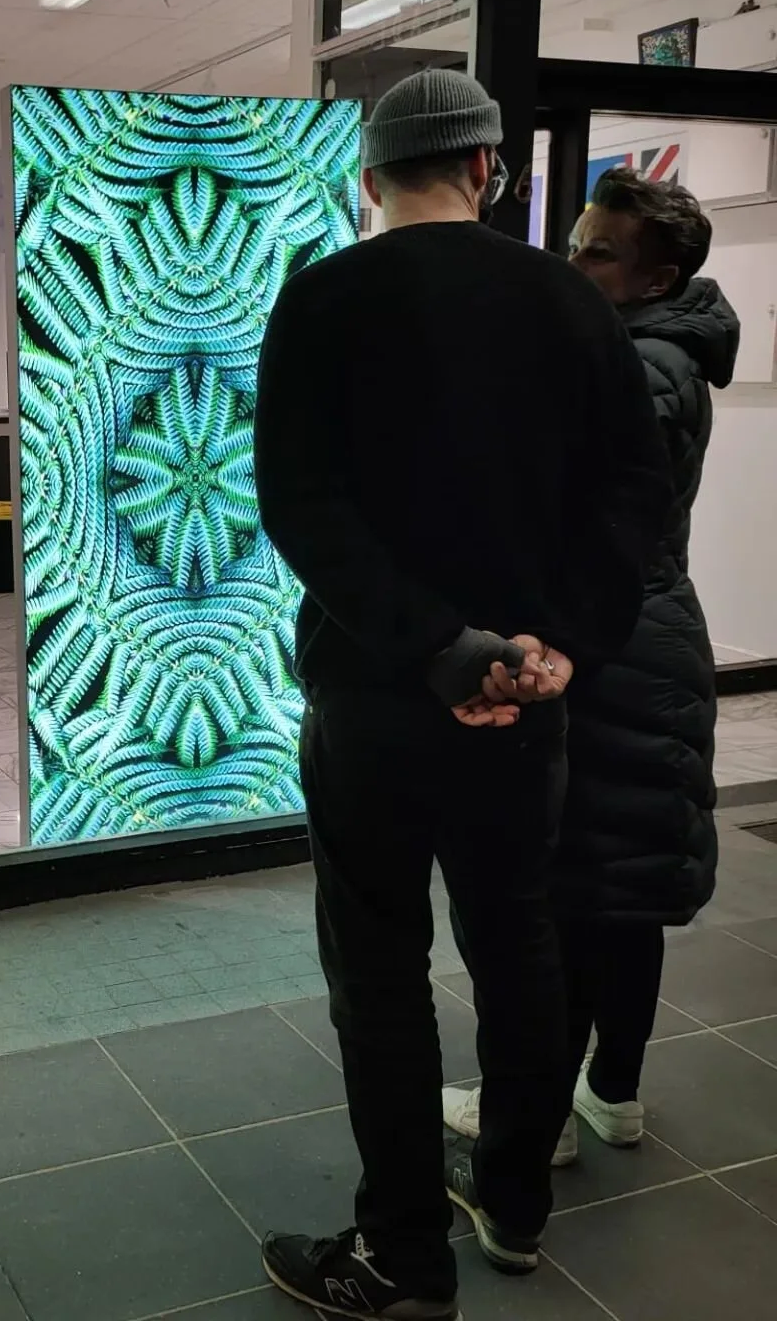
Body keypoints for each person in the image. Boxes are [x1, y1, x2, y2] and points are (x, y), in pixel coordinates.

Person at [252, 72, 670, 1320]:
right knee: (520, 947)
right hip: (529, 704)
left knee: (378, 970)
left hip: (374, 697)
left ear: (370, 178)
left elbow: (300, 506)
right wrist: (559, 653)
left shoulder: (321, 299)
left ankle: (402, 1259)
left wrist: (435, 646)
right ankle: (516, 1205)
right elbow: (638, 500)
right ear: (491, 172)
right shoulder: (569, 303)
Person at [444, 169, 737, 1166]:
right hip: (639, 640)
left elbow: (586, 514)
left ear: (658, 277)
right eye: (574, 238)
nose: (572, 259)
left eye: (599, 250)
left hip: (610, 654)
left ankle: (532, 1117)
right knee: (620, 894)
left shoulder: (644, 369)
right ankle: (610, 1092)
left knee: (570, 895)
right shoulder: (649, 351)